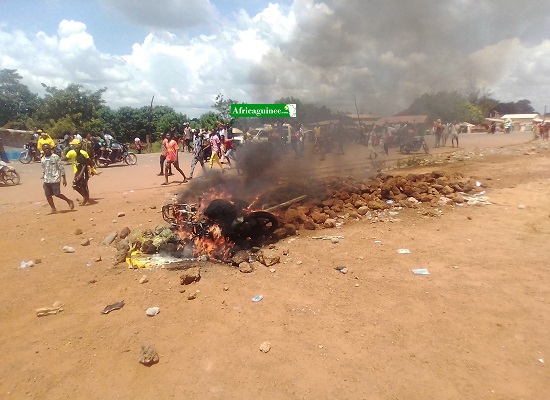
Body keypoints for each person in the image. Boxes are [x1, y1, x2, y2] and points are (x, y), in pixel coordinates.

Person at [40, 144, 74, 213]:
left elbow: (61, 168)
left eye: (48, 148)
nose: (47, 150)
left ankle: (68, 201)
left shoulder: (55, 157)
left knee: (57, 194)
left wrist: (64, 178)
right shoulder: (42, 159)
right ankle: (53, 208)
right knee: (47, 195)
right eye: (45, 149)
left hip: (55, 178)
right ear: (43, 150)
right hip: (47, 179)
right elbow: (44, 169)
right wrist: (43, 176)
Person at [65, 139, 93, 205]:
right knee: (76, 185)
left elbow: (85, 165)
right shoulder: (75, 154)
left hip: (82, 173)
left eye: (76, 147)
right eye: (75, 148)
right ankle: (85, 197)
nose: (75, 149)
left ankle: (85, 198)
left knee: (83, 185)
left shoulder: (81, 155)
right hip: (78, 172)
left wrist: (81, 174)